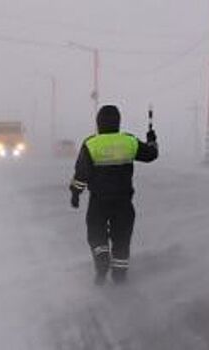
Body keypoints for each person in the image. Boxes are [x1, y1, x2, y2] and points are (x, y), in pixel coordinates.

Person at [69, 105, 158, 285]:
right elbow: (151, 155)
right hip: (123, 202)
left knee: (96, 232)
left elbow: (81, 173)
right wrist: (151, 140)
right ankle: (119, 277)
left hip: (99, 201)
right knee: (122, 239)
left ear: (98, 123)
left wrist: (75, 193)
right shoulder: (129, 141)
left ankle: (102, 259)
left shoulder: (91, 144)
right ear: (118, 122)